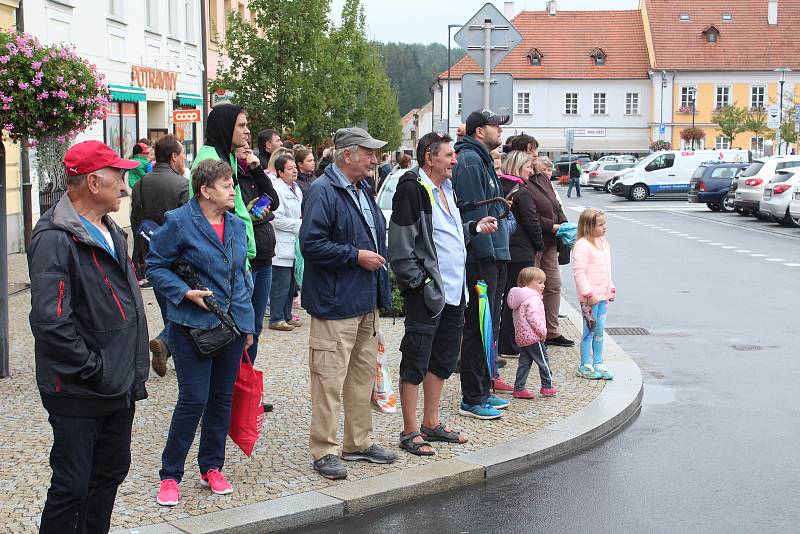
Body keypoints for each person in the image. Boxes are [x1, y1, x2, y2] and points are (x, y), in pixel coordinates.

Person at [28, 140, 149, 534]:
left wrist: (125, 369)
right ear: (94, 182)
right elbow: (51, 322)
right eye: (119, 174)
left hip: (117, 383)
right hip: (79, 389)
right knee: (72, 485)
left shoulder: (112, 229)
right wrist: (95, 369)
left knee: (109, 474)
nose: (125, 182)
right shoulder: (54, 236)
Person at [147, 159, 255, 507]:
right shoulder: (178, 222)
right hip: (191, 326)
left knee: (221, 400)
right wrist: (183, 292)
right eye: (226, 185)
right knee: (193, 399)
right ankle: (170, 475)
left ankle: (211, 466)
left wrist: (248, 325)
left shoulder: (237, 225)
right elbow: (155, 265)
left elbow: (242, 278)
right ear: (205, 190)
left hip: (231, 327)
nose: (233, 190)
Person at [389, 132, 498, 455]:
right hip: (428, 294)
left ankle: (431, 423)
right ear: (429, 158)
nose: (455, 160)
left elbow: (446, 238)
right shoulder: (413, 189)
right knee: (415, 360)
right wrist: (420, 284)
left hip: (454, 293)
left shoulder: (446, 189)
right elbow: (401, 247)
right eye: (449, 155)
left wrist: (474, 229)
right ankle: (410, 431)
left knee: (442, 360)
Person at [300, 126, 397, 480]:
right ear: (347, 155)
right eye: (368, 153)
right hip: (334, 303)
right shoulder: (323, 191)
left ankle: (358, 443)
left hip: (363, 302)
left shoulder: (360, 189)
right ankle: (324, 450)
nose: (375, 159)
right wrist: (355, 256)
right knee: (328, 380)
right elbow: (311, 244)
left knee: (360, 378)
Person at [451, 109, 513, 420]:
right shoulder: (471, 161)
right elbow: (473, 213)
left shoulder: (481, 159)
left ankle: (483, 392)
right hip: (482, 257)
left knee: (487, 327)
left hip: (494, 253)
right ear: (479, 131)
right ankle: (472, 397)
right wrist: (488, 254)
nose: (499, 131)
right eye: (494, 126)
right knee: (478, 326)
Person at [131, 134, 190, 377]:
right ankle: (168, 344)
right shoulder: (181, 185)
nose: (184, 160)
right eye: (183, 155)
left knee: (167, 304)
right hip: (179, 255)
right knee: (183, 306)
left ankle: (166, 348)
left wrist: (142, 251)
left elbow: (135, 219)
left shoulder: (142, 183)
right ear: (174, 157)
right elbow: (188, 224)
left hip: (152, 252)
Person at [498, 151, 544, 371]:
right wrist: (539, 245)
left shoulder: (500, 186)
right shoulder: (521, 192)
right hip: (522, 250)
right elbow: (531, 222)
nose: (531, 171)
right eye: (527, 167)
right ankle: (516, 342)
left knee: (508, 298)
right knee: (524, 301)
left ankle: (505, 341)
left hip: (505, 250)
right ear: (518, 167)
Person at [192, 104, 256, 260]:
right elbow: (207, 214)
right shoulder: (210, 159)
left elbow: (235, 205)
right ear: (225, 128)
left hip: (236, 252)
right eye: (241, 126)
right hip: (223, 257)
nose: (247, 131)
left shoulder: (227, 154)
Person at [235, 145, 280, 363]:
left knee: (256, 327)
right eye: (241, 145)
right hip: (247, 258)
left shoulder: (253, 172)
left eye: (248, 144)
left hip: (265, 257)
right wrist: (255, 215)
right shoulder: (230, 173)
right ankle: (235, 381)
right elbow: (238, 212)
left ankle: (247, 377)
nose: (246, 147)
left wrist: (257, 170)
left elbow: (274, 201)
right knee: (243, 326)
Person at [528, 158, 574, 347]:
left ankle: (551, 331)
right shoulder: (523, 181)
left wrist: (563, 223)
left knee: (553, 285)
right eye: (533, 152)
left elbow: (556, 205)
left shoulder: (542, 179)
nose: (536, 156)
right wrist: (553, 226)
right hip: (535, 241)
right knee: (532, 289)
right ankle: (533, 331)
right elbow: (530, 215)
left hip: (551, 242)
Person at [572, 208, 616, 381]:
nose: (604, 227)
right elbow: (579, 273)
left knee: (599, 330)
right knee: (589, 330)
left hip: (602, 296)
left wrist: (610, 287)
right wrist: (587, 293)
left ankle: (598, 362)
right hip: (590, 298)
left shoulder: (603, 243)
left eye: (604, 223)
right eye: (600, 224)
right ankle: (584, 364)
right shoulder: (582, 245)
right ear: (589, 226)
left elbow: (606, 269)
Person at [506, 267, 558, 399]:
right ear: (527, 283)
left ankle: (519, 388)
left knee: (524, 363)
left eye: (543, 282)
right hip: (534, 337)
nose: (543, 285)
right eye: (540, 282)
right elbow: (534, 318)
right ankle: (547, 386)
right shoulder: (533, 298)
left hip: (522, 338)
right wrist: (543, 331)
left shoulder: (519, 298)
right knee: (543, 361)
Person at [269, 154, 303, 331]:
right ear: (280, 172)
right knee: (280, 284)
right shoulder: (277, 190)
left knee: (291, 285)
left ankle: (287, 315)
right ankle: (276, 318)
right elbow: (276, 218)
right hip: (281, 243)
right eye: (290, 169)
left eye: (295, 167)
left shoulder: (296, 188)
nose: (294, 171)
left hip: (293, 244)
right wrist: (299, 225)